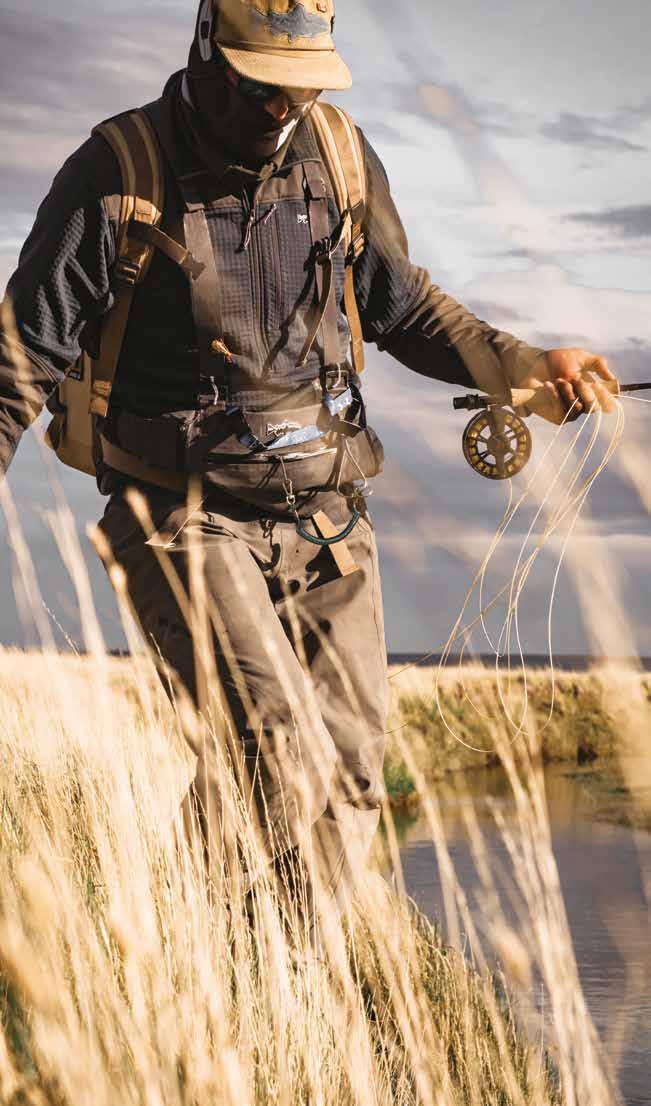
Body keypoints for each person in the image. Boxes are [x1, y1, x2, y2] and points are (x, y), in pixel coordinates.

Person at [0, 0, 616, 928]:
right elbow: (17, 362)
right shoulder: (113, 172)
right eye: (261, 86)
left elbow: (404, 309)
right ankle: (187, 939)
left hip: (329, 519)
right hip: (180, 517)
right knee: (275, 746)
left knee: (354, 776)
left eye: (303, 87)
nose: (283, 107)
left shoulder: (339, 155)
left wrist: (524, 364)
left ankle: (272, 969)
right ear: (207, 52)